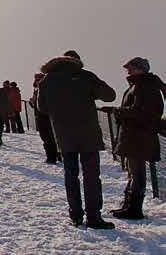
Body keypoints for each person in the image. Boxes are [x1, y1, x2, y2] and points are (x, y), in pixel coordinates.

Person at [37, 50, 117, 229]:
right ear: (76, 62)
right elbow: (110, 95)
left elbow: (42, 108)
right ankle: (94, 217)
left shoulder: (47, 81)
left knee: (70, 175)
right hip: (88, 134)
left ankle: (76, 216)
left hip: (64, 135)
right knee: (91, 176)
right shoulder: (85, 76)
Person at [111, 57, 163, 221]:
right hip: (137, 136)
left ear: (141, 69)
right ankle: (129, 206)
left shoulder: (144, 86)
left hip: (139, 137)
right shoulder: (140, 85)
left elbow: (142, 113)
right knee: (134, 172)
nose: (128, 70)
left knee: (137, 173)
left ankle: (134, 209)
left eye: (132, 67)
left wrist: (119, 111)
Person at [30, 71, 60, 164]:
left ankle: (52, 157)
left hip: (44, 116)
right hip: (45, 116)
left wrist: (33, 102)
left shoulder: (42, 90)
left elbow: (40, 104)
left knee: (48, 138)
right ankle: (56, 155)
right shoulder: (39, 90)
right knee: (50, 137)